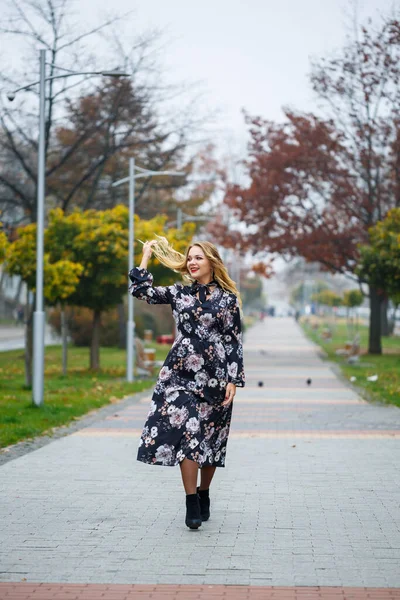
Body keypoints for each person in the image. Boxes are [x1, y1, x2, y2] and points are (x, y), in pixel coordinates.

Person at [128, 237, 245, 530]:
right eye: (190, 258)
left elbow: (233, 341)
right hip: (180, 374)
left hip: (215, 377)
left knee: (211, 441)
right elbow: (140, 291)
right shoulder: (179, 293)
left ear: (212, 263)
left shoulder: (228, 299)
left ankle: (204, 491)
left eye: (198, 258)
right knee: (190, 432)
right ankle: (191, 500)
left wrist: (234, 380)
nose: (192, 262)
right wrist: (145, 256)